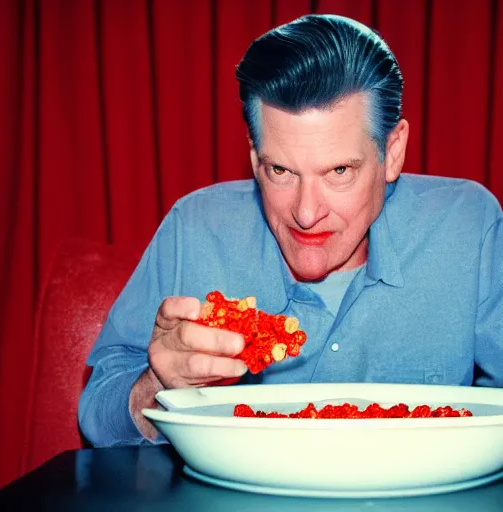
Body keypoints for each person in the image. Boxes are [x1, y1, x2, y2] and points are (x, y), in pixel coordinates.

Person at [78, 14, 503, 446]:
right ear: (253, 156)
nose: (305, 212)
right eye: (280, 169)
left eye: (339, 170)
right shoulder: (195, 227)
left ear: (392, 152)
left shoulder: (469, 227)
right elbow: (97, 416)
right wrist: (160, 383)